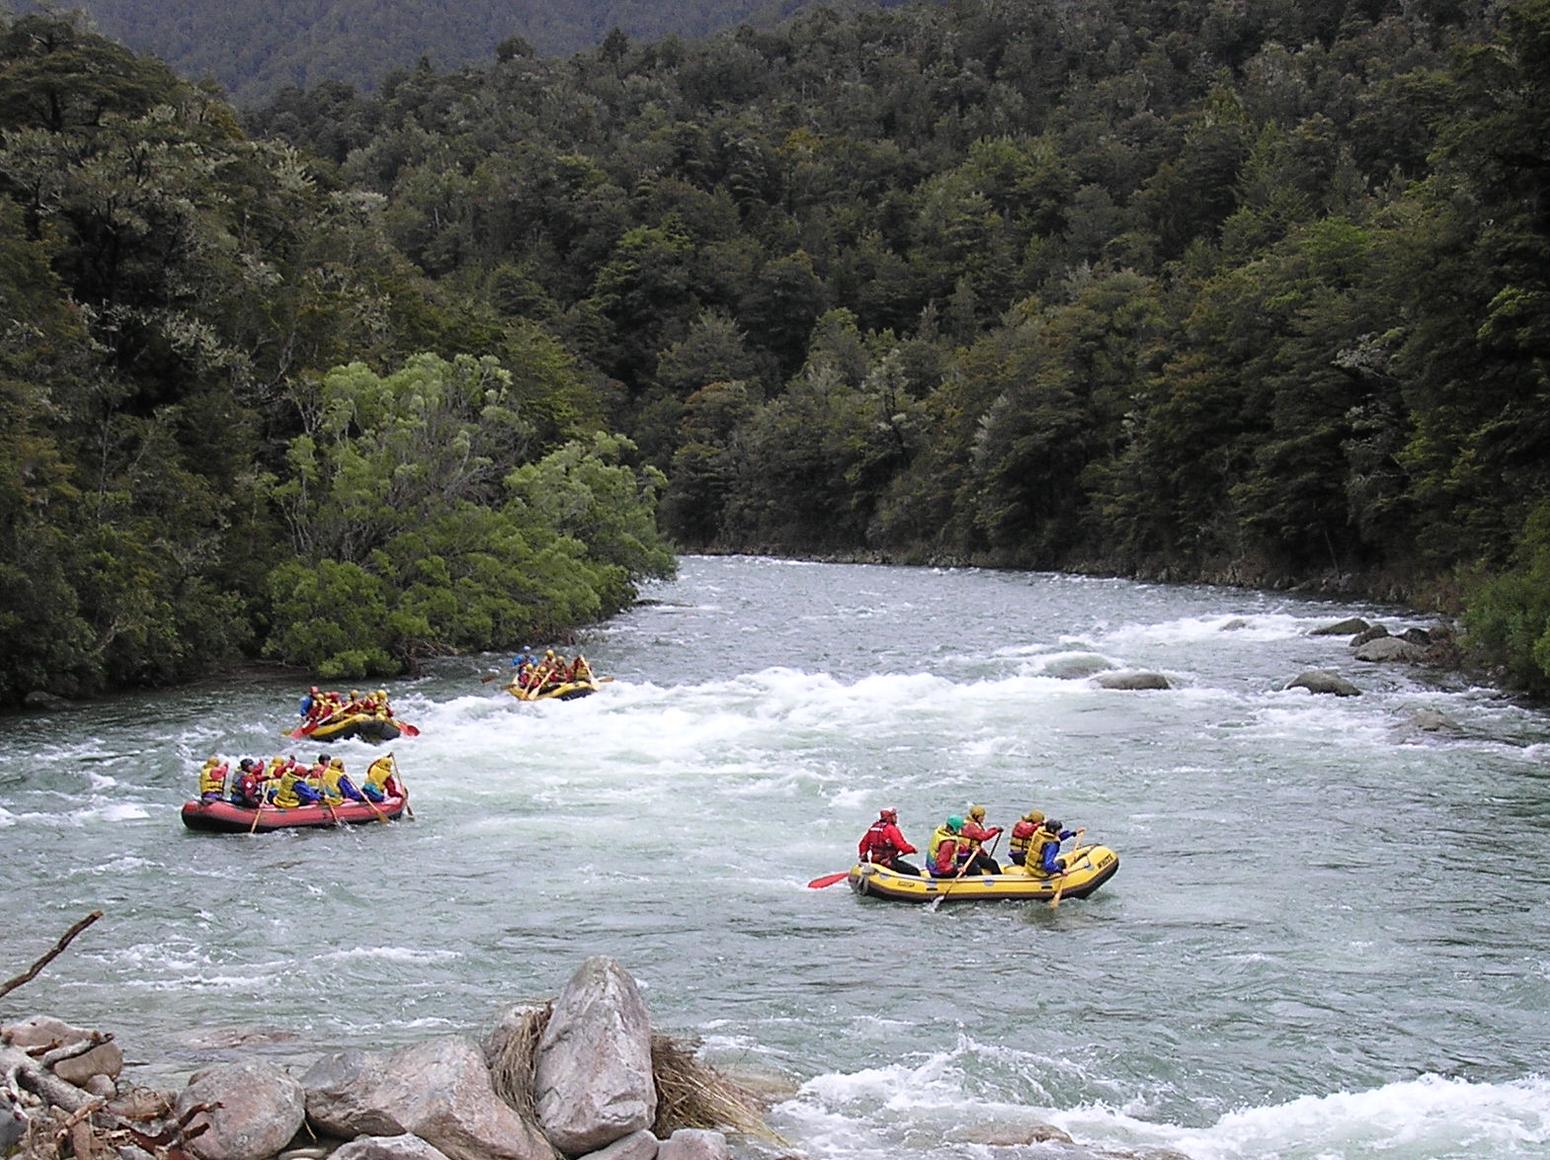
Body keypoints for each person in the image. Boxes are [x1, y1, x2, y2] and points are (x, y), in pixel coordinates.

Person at [857, 808, 921, 875]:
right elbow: (902, 846)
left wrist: (864, 860)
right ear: (889, 817)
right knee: (915, 872)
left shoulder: (873, 828)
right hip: (888, 862)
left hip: (875, 862)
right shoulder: (891, 829)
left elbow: (862, 845)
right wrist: (912, 849)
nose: (896, 817)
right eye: (894, 815)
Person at [960, 804, 1003, 874]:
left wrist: (993, 829)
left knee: (989, 861)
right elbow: (983, 836)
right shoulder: (970, 826)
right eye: (981, 816)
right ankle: (999, 881)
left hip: (972, 852)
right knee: (992, 863)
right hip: (970, 854)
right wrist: (995, 831)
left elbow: (982, 834)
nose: (983, 818)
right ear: (975, 816)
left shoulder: (969, 823)